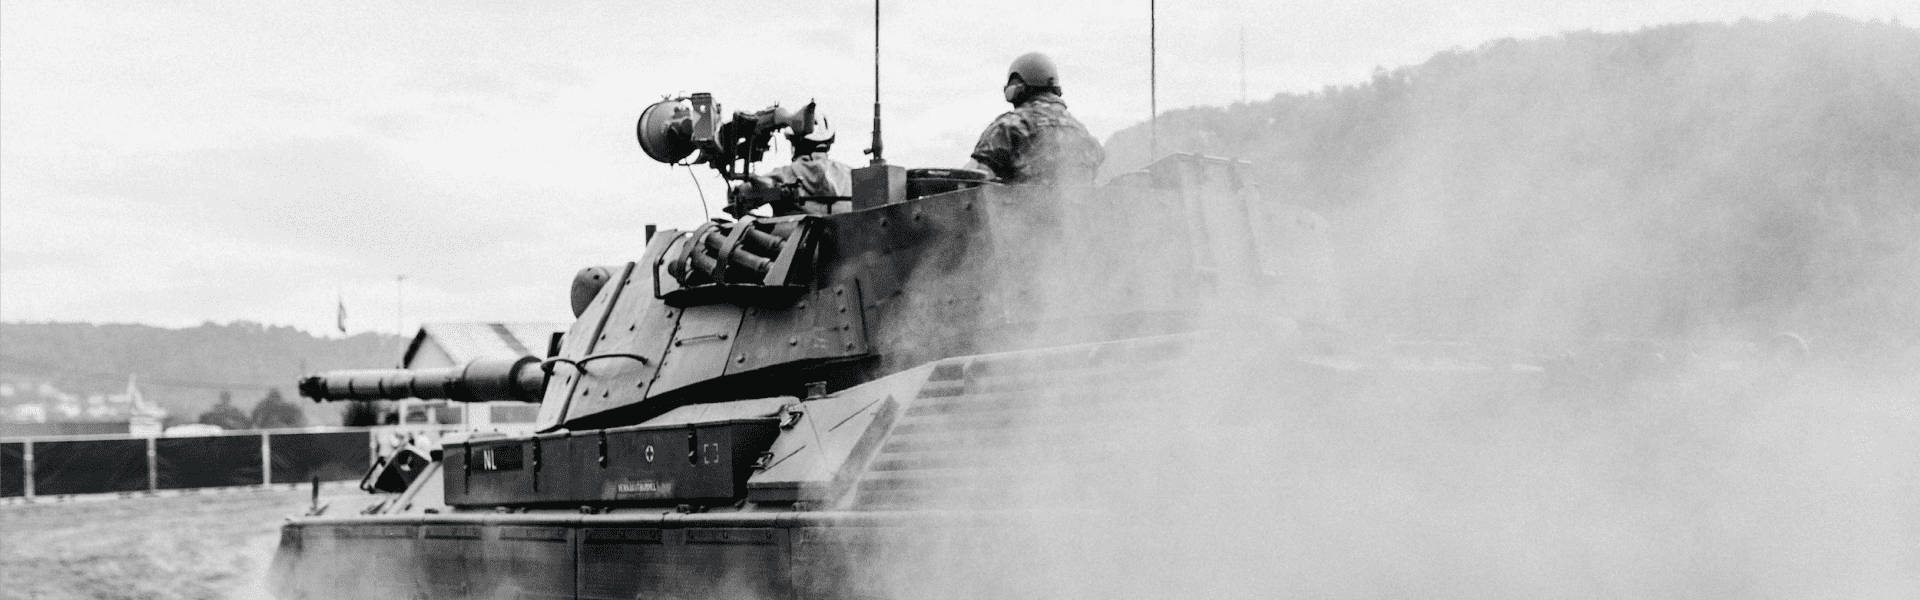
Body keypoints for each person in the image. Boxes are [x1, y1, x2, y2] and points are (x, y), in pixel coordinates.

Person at [968, 52, 1106, 184]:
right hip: (1077, 208)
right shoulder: (1081, 131)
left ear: (1019, 87)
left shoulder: (1011, 125)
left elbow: (973, 179)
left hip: (1022, 207)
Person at [736, 109, 853, 216]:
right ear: (829, 142)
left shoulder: (783, 175)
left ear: (795, 143)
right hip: (849, 237)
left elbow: (740, 198)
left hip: (794, 237)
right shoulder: (851, 175)